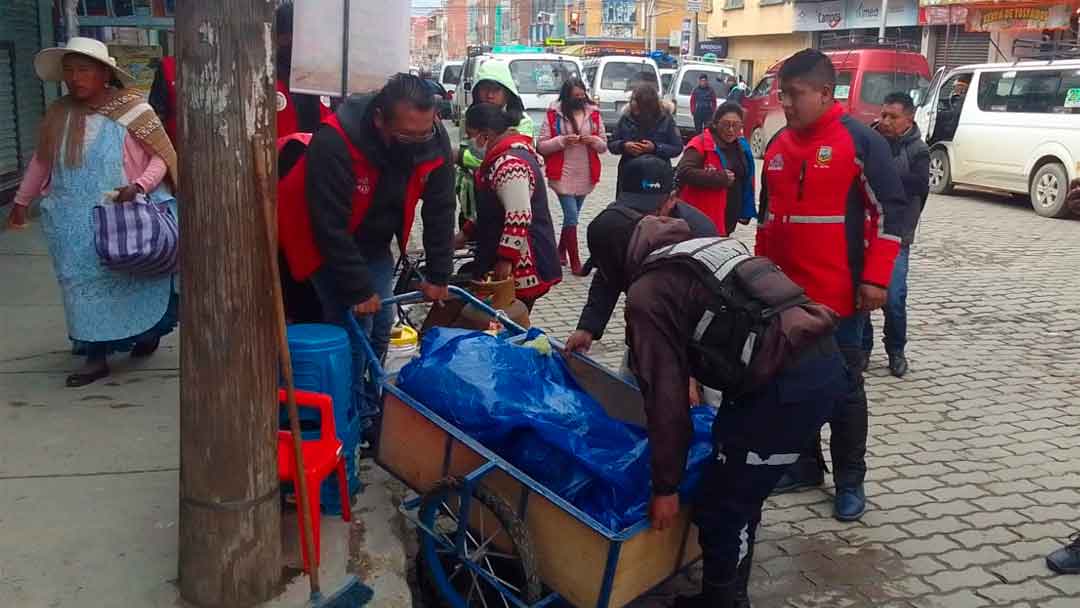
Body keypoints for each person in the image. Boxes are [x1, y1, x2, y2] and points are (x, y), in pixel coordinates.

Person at [584, 208, 847, 608]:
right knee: (737, 489)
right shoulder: (699, 244)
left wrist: (665, 488)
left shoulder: (648, 292)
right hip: (817, 355)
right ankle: (725, 592)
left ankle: (724, 600)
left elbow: (665, 400)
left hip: (786, 387)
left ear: (615, 257)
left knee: (723, 508)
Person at [757, 49, 908, 521]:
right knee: (790, 384)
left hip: (840, 297)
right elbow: (766, 219)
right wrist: (759, 280)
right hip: (784, 298)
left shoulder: (859, 141)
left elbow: (891, 214)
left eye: (795, 94)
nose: (786, 103)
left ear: (825, 93)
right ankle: (804, 466)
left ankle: (850, 480)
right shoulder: (778, 145)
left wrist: (876, 280)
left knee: (843, 390)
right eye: (782, 94)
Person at [276, 74, 454, 420]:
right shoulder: (335, 141)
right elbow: (328, 225)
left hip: (373, 237)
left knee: (382, 321)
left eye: (424, 133)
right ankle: (349, 413)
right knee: (354, 329)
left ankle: (371, 403)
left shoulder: (430, 137)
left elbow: (441, 207)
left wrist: (439, 274)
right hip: (317, 235)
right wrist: (357, 289)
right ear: (379, 120)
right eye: (406, 136)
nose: (417, 144)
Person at [9, 38, 179, 387]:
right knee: (79, 287)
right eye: (69, 71)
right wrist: (22, 201)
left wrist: (140, 186)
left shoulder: (135, 111)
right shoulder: (58, 113)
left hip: (123, 216)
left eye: (84, 70)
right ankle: (95, 356)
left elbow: (162, 157)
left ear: (104, 74)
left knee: (133, 278)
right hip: (71, 220)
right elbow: (42, 161)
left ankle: (146, 332)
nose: (75, 78)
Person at [565, 155, 718, 358]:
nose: (640, 217)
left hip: (687, 335)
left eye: (649, 209)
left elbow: (706, 308)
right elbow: (608, 274)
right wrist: (588, 327)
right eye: (632, 207)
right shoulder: (622, 223)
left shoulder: (698, 234)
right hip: (644, 323)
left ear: (672, 199)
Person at [464, 103, 561, 310]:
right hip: (511, 259)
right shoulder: (502, 158)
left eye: (470, 135)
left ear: (486, 135)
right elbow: (494, 207)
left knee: (509, 318)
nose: (469, 142)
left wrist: (505, 260)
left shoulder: (510, 164)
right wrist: (466, 232)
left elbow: (519, 216)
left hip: (522, 265)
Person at [863, 92, 929, 378]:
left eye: (893, 117)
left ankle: (896, 350)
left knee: (894, 298)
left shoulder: (918, 150)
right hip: (864, 231)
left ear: (909, 119)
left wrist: (883, 175)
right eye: (883, 115)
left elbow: (920, 186)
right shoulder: (867, 140)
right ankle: (862, 348)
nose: (885, 121)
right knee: (859, 295)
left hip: (898, 234)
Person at [456, 59, 537, 233]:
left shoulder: (522, 122)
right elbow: (467, 148)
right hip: (470, 200)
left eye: (496, 90)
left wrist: (461, 157)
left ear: (507, 92)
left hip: (506, 197)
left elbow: (503, 159)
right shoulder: (468, 116)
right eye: (485, 89)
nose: (490, 95)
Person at [537, 77, 607, 277]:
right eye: (575, 96)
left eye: (582, 95)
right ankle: (575, 262)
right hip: (562, 172)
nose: (580, 98)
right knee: (571, 216)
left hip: (585, 172)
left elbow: (603, 146)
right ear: (566, 96)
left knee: (572, 217)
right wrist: (562, 141)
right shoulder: (554, 114)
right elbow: (541, 145)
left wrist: (592, 140)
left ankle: (561, 251)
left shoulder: (593, 113)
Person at [676, 101, 757, 236]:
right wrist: (718, 178)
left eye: (736, 125)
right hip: (702, 220)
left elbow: (746, 179)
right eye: (726, 124)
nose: (731, 130)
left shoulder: (742, 147)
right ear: (715, 124)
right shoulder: (701, 143)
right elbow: (684, 171)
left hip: (729, 217)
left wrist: (745, 209)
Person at [608, 84, 683, 193]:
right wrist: (623, 146)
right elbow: (611, 144)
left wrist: (655, 148)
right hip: (629, 173)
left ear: (649, 105)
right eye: (632, 101)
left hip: (657, 174)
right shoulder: (626, 118)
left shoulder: (666, 119)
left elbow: (677, 147)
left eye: (638, 104)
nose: (633, 105)